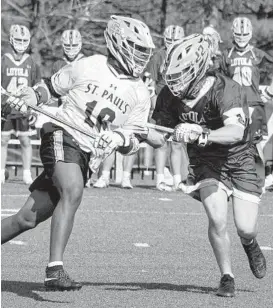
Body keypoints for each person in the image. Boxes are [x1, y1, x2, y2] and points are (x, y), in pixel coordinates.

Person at [1, 15, 155, 291]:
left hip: (86, 155)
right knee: (72, 190)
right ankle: (54, 270)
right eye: (135, 48)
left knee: (26, 218)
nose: (140, 56)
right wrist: (32, 97)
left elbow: (135, 140)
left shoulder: (141, 93)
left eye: (144, 51)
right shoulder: (88, 65)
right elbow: (49, 88)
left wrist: (119, 138)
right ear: (118, 43)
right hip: (61, 133)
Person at [153, 34, 266, 297]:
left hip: (239, 158)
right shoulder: (169, 95)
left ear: (200, 69)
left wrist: (200, 134)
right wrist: (128, 135)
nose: (176, 82)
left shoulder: (226, 88)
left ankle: (249, 243)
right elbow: (158, 134)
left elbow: (235, 132)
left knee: (245, 227)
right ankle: (227, 276)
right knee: (217, 218)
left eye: (182, 75)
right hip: (206, 162)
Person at [147, 25, 188, 191]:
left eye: (175, 40)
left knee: (177, 142)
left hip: (179, 100)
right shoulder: (158, 56)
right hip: (163, 100)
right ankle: (160, 179)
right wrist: (153, 102)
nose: (172, 43)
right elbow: (151, 82)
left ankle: (177, 179)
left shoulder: (187, 55)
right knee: (161, 142)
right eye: (169, 40)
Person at [1, 24, 41, 184]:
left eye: (25, 40)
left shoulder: (31, 61)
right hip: (5, 107)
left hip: (24, 109)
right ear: (11, 39)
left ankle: (26, 173)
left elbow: (37, 86)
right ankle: (1, 172)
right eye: (18, 39)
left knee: (26, 141)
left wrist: (34, 109)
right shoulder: (3, 60)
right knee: (3, 140)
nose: (21, 42)